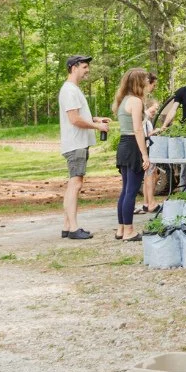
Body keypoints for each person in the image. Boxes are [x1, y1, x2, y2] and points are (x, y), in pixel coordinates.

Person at [58, 54, 110, 240]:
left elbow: (78, 115)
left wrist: (95, 119)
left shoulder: (73, 90)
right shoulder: (70, 90)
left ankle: (67, 226)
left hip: (78, 143)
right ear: (74, 67)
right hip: (75, 144)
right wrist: (97, 126)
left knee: (74, 183)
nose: (88, 70)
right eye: (85, 67)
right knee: (76, 183)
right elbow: (74, 119)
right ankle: (73, 228)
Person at [111, 67, 150, 241]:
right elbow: (137, 129)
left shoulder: (123, 100)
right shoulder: (135, 101)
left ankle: (121, 229)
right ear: (139, 82)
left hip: (123, 145)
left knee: (125, 190)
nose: (148, 83)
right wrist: (144, 154)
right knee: (131, 191)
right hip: (133, 145)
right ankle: (129, 231)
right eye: (146, 80)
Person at [139, 72, 160, 215]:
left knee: (152, 175)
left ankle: (147, 202)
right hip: (145, 149)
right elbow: (143, 134)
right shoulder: (143, 117)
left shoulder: (147, 119)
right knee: (149, 175)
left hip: (148, 149)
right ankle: (148, 202)